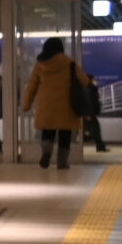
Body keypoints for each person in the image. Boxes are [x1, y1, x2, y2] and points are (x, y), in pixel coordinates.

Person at [22, 37, 91, 169]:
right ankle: (62, 162)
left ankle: (46, 152)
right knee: (65, 135)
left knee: (47, 132)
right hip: (67, 106)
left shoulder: (40, 65)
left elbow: (31, 87)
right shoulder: (69, 63)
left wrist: (26, 104)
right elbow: (84, 81)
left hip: (46, 106)